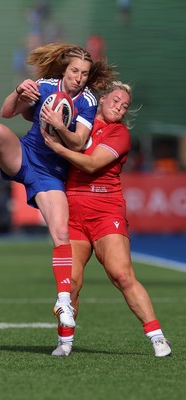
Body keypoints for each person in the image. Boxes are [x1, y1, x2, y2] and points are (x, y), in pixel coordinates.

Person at [0, 43, 115, 328]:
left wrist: (59, 125)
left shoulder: (88, 100)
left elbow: (78, 142)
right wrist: (18, 92)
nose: (78, 77)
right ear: (64, 70)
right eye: (74, 71)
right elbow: (6, 113)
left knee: (60, 232)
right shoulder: (44, 85)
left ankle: (63, 301)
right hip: (24, 155)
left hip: (50, 173)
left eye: (84, 73)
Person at [41, 80, 172, 357]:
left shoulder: (119, 133)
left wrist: (57, 144)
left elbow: (90, 164)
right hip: (73, 210)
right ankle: (65, 343)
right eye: (115, 101)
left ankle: (157, 336)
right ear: (101, 99)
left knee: (121, 274)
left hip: (105, 210)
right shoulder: (78, 119)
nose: (120, 107)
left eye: (124, 106)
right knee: (71, 282)